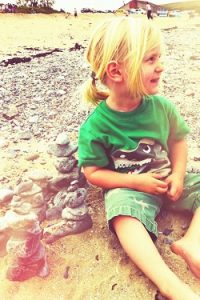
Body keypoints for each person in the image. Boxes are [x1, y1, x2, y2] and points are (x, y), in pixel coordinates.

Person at [78, 17, 200, 300]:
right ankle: (170, 284)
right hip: (132, 192)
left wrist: (178, 175)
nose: (161, 66)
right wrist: (137, 182)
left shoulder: (161, 106)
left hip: (167, 181)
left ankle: (193, 242)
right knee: (120, 211)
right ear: (117, 71)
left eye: (159, 57)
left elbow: (178, 141)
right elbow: (93, 173)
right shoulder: (96, 126)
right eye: (150, 59)